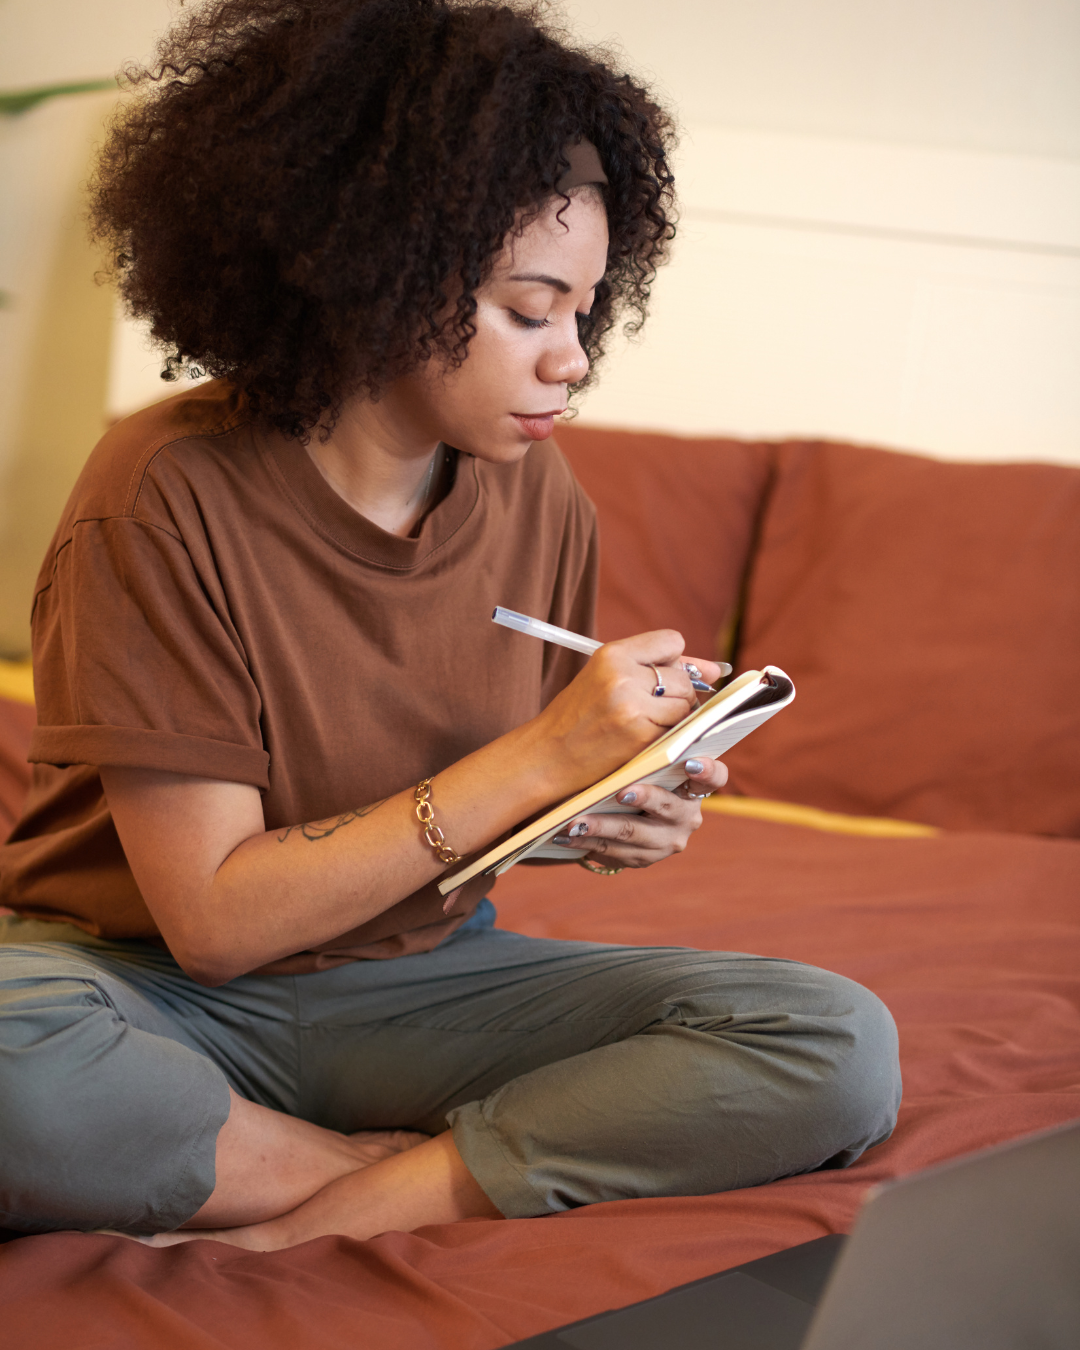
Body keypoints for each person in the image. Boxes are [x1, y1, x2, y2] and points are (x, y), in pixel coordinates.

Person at [0, 0, 901, 1251]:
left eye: (585, 312)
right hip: (145, 988)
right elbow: (213, 923)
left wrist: (592, 810)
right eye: (531, 312)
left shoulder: (544, 498)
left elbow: (460, 823)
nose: (573, 359)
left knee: (833, 1039)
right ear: (376, 277)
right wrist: (540, 758)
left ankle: (304, 1204)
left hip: (420, 986)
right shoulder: (164, 489)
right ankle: (362, 1174)